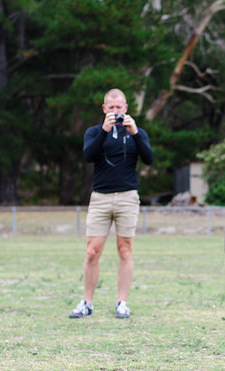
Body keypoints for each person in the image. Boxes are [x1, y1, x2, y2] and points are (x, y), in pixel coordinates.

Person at [70, 88, 154, 319]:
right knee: (92, 251)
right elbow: (88, 156)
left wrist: (135, 133)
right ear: (104, 108)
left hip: (127, 197)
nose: (115, 112)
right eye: (111, 108)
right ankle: (87, 302)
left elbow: (148, 158)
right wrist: (104, 131)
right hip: (101, 197)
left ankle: (122, 303)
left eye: (119, 108)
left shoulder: (137, 133)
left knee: (125, 250)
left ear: (125, 108)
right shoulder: (94, 132)